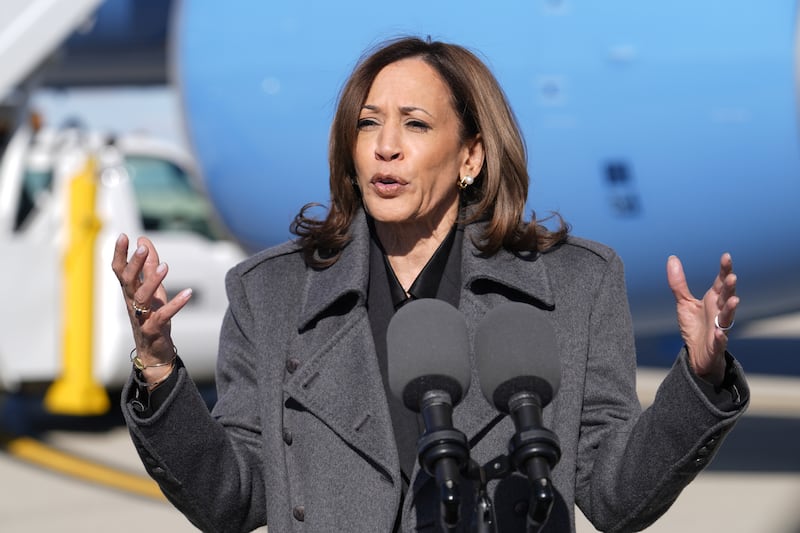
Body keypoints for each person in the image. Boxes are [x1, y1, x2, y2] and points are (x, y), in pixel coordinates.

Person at [112, 37, 748, 533]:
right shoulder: (271, 294)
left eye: (414, 124)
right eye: (368, 124)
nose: (386, 147)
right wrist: (159, 369)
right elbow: (230, 499)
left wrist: (700, 378)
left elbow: (616, 498)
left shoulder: (576, 286)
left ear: (471, 156)